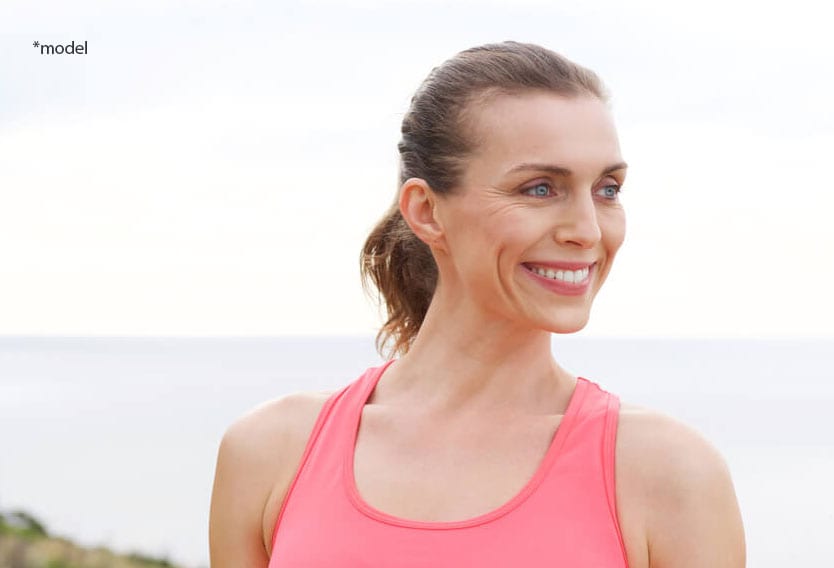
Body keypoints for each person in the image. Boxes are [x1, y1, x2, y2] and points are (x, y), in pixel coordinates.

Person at [209, 41, 746, 567]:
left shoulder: (670, 475)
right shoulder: (270, 452)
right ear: (426, 211)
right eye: (540, 188)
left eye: (607, 189)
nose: (587, 230)